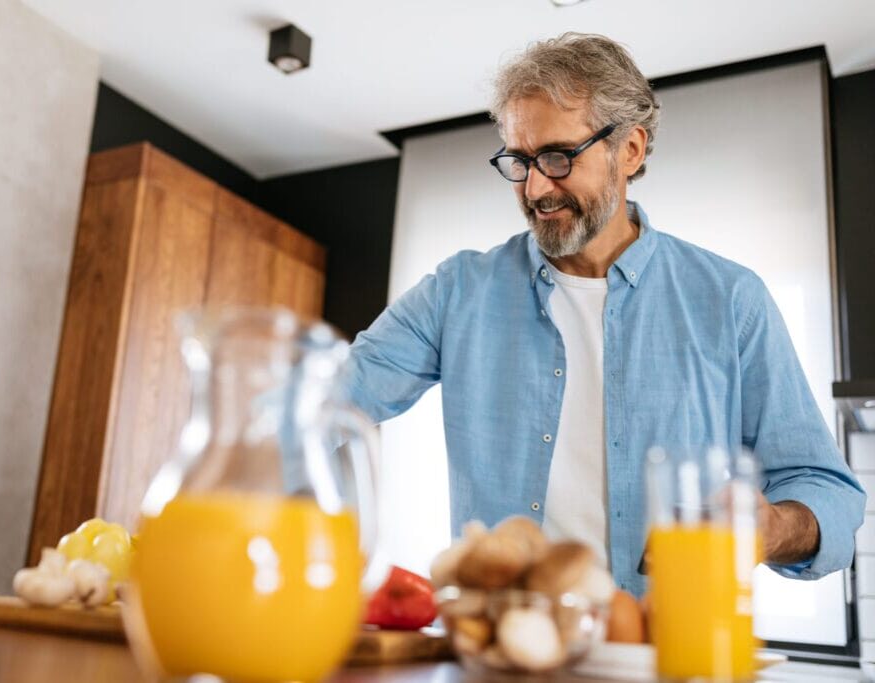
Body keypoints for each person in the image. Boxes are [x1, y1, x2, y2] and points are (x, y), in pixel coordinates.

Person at [346, 33, 864, 596]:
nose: (537, 187)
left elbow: (828, 494)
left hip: (668, 656)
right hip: (504, 653)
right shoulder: (457, 291)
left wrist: (770, 530)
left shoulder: (731, 299)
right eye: (519, 162)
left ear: (631, 150)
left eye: (557, 157)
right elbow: (332, 396)